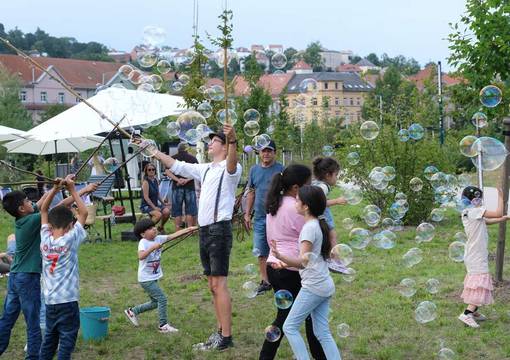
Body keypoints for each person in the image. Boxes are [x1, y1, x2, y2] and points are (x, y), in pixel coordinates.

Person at [135, 123, 241, 351]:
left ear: (224, 146)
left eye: (214, 140)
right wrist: (152, 151)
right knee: (212, 285)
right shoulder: (206, 169)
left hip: (219, 230)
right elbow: (177, 165)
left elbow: (232, 163)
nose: (210, 143)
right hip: (205, 231)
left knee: (219, 284)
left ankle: (226, 337)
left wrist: (233, 140)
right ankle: (220, 330)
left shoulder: (231, 168)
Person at [0, 181, 97, 359]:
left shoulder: (30, 222)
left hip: (17, 276)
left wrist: (57, 187)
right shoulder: (31, 221)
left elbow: (44, 207)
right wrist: (77, 190)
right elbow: (55, 208)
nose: (32, 203)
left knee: (8, 319)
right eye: (28, 201)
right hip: (28, 278)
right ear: (22, 208)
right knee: (34, 324)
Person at [259, 164, 326, 360]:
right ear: (296, 187)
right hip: (291, 268)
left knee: (287, 316)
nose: (311, 187)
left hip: (275, 266)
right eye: (308, 184)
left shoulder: (276, 202)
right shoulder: (297, 209)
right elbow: (311, 236)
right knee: (301, 317)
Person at [271, 185, 341, 360]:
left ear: (306, 206)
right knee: (322, 332)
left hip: (314, 286)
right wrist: (284, 264)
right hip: (324, 283)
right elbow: (308, 261)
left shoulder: (309, 228)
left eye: (298, 200)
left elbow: (303, 262)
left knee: (290, 327)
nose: (295, 201)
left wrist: (280, 256)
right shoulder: (317, 224)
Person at [39, 175, 89, 360]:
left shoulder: (45, 240)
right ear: (70, 225)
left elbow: (43, 209)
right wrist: (72, 189)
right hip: (67, 302)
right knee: (67, 341)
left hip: (50, 301)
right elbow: (83, 214)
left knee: (50, 340)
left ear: (51, 225)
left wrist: (55, 189)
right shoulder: (70, 240)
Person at [124, 218, 197, 333]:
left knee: (155, 302)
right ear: (143, 234)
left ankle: (132, 311)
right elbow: (141, 256)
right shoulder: (143, 243)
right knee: (162, 299)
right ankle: (163, 325)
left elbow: (173, 236)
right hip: (145, 279)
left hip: (153, 277)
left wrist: (189, 229)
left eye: (154, 227)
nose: (154, 229)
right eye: (150, 228)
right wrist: (152, 248)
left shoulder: (158, 238)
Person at [458, 186, 509, 328]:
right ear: (471, 200)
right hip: (476, 255)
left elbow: (485, 221)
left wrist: (502, 219)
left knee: (477, 283)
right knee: (480, 284)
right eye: (477, 198)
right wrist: (500, 196)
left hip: (474, 254)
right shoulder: (474, 211)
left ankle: (474, 312)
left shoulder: (470, 212)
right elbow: (498, 211)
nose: (480, 200)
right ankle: (467, 313)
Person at [244, 140, 284, 295]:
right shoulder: (254, 170)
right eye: (263, 151)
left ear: (275, 153)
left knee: (278, 248)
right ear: (259, 153)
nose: (266, 154)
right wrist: (247, 214)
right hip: (260, 217)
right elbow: (251, 193)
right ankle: (265, 281)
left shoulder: (281, 169)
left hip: (277, 216)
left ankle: (280, 278)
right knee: (261, 250)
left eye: (269, 151)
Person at [311, 157, 348, 273]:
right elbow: (318, 202)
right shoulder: (323, 187)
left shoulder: (315, 183)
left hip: (315, 217)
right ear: (328, 175)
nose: (336, 178)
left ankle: (328, 259)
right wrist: (337, 201)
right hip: (323, 218)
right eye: (336, 175)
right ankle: (335, 262)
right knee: (332, 236)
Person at [165, 142, 198, 228]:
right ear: (187, 149)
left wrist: (177, 180)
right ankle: (190, 229)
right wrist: (187, 180)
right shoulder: (193, 159)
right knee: (190, 210)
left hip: (177, 186)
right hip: (190, 187)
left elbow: (167, 171)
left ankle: (178, 230)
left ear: (178, 149)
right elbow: (197, 172)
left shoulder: (173, 158)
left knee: (177, 209)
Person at [140, 163, 171, 233]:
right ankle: (145, 229)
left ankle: (160, 227)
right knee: (158, 215)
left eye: (153, 169)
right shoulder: (145, 182)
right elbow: (146, 198)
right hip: (146, 205)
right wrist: (154, 208)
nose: (151, 171)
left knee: (167, 211)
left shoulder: (156, 180)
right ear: (146, 172)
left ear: (155, 171)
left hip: (155, 203)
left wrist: (164, 203)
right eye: (149, 170)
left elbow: (158, 195)